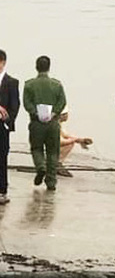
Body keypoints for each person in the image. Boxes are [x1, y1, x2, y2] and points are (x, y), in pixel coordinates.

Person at [23, 55, 67, 191]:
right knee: (53, 152)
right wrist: (54, 112)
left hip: (36, 123)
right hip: (53, 123)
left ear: (36, 67)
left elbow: (26, 103)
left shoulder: (29, 85)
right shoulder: (57, 84)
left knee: (36, 148)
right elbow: (62, 102)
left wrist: (35, 113)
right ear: (49, 67)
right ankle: (51, 181)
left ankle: (40, 167)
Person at [0, 49, 21, 204]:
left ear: (3, 63)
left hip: (2, 126)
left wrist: (8, 122)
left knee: (2, 157)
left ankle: (2, 190)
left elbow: (15, 105)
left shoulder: (12, 82)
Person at [57, 107, 93, 178]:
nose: (67, 116)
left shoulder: (59, 124)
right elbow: (60, 141)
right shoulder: (55, 125)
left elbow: (66, 135)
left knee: (70, 140)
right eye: (66, 114)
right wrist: (74, 140)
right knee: (69, 143)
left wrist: (81, 140)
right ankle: (57, 163)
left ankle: (56, 162)